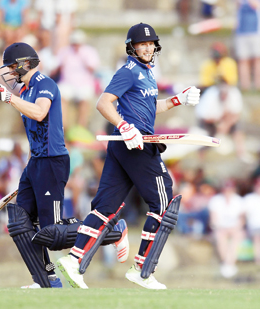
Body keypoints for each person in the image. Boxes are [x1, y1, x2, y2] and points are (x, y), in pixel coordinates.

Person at [56, 23, 201, 290]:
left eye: (150, 44)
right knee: (163, 201)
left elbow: (148, 107)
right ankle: (143, 268)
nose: (147, 48)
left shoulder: (147, 73)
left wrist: (178, 100)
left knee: (105, 205)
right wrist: (124, 126)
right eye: (142, 44)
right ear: (131, 47)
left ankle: (74, 260)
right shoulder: (129, 71)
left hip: (126, 144)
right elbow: (103, 102)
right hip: (135, 144)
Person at [0, 43, 128, 289]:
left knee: (51, 233)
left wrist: (9, 98)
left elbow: (41, 113)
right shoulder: (26, 91)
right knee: (21, 225)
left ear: (24, 64)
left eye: (11, 66)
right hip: (36, 162)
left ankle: (112, 229)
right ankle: (47, 278)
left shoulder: (45, 84)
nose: (9, 71)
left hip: (52, 162)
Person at [209, 179, 245, 278]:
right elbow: (213, 219)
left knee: (237, 237)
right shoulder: (216, 200)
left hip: (234, 228)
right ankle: (228, 264)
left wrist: (235, 228)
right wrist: (219, 227)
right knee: (220, 237)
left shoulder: (239, 200)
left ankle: (228, 264)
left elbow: (241, 219)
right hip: (221, 228)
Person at [234, 0, 260, 90]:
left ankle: (259, 86)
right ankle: (245, 86)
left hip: (257, 31)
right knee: (243, 59)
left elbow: (257, 5)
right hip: (241, 30)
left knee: (258, 59)